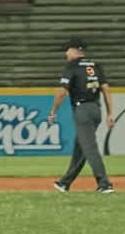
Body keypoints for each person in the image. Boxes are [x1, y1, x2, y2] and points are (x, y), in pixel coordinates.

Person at [48, 37, 115, 194]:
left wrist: (53, 111)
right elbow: (106, 89)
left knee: (89, 147)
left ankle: (104, 183)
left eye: (68, 49)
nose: (66, 53)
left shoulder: (72, 66)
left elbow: (62, 92)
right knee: (81, 147)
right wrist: (110, 113)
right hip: (96, 109)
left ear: (75, 50)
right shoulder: (95, 65)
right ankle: (65, 182)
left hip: (82, 110)